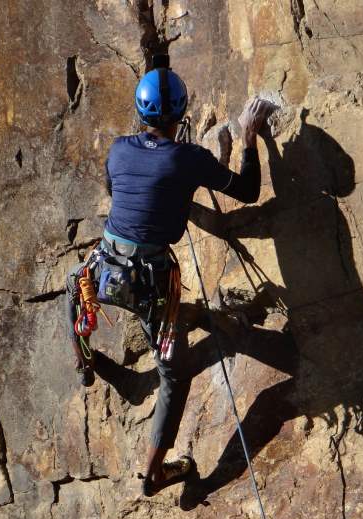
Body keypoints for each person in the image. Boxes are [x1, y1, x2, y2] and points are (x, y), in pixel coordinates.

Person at [65, 60, 269, 496]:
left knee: (74, 287)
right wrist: (249, 136)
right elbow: (248, 191)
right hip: (149, 283)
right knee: (174, 375)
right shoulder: (189, 158)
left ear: (141, 115)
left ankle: (85, 364)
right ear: (181, 115)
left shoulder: (119, 149)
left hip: (105, 265)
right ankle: (155, 473)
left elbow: (122, 190)